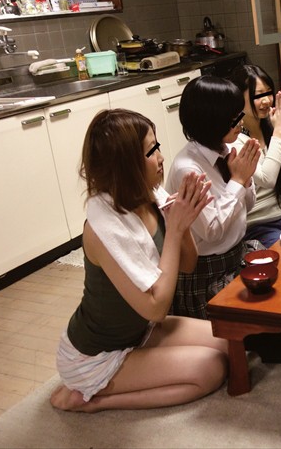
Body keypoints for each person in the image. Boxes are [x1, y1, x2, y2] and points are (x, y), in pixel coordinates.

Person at [50, 109, 228, 412]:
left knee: (227, 343)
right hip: (95, 356)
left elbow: (187, 264)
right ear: (126, 164)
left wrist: (182, 219)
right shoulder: (101, 228)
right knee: (211, 368)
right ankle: (93, 401)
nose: (161, 157)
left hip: (140, 333)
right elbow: (156, 308)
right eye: (151, 150)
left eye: (157, 147)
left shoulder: (150, 198)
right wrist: (174, 230)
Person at [166, 76, 260, 319]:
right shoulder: (188, 169)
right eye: (234, 118)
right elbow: (212, 231)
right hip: (207, 271)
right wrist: (237, 180)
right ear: (211, 120)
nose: (241, 122)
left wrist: (245, 180)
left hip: (237, 253)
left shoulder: (225, 150)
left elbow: (248, 207)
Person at [229, 64, 281, 248]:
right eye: (258, 96)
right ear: (238, 97)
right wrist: (280, 130)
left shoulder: (272, 124)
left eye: (269, 93)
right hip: (257, 222)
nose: (267, 100)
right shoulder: (234, 138)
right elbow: (267, 179)